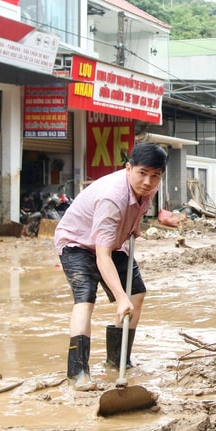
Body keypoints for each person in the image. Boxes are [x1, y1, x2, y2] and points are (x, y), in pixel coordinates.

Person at [54, 142, 168, 391]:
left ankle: (118, 361)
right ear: (128, 168)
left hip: (112, 242)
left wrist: (134, 226)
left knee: (136, 293)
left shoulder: (149, 188)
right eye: (142, 173)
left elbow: (137, 209)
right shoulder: (111, 198)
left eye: (155, 175)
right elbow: (102, 256)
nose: (147, 181)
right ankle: (78, 372)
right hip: (77, 243)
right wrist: (120, 299)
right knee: (85, 298)